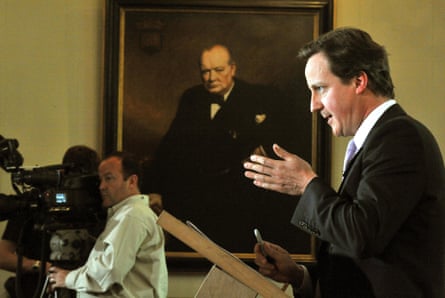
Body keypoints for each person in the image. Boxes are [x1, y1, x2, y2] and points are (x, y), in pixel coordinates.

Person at [243, 27, 445, 298]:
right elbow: (362, 252)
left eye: (320, 89)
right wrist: (298, 275)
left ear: (359, 82)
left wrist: (307, 183)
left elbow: (362, 235)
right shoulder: (380, 138)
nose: (313, 105)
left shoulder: (399, 136)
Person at [145, 44, 308, 251]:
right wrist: (155, 188)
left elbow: (281, 142)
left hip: (240, 200)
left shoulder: (258, 97)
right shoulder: (192, 99)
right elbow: (169, 147)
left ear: (232, 69)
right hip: (198, 196)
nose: (211, 77)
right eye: (205, 71)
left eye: (218, 70)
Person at [48, 151, 168, 297]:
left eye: (109, 178)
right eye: (100, 180)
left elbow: (111, 270)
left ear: (131, 181)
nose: (101, 186)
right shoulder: (125, 215)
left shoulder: (132, 216)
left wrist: (68, 278)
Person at [0, 145, 102, 298]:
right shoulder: (38, 201)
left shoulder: (99, 206)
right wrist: (41, 267)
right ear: (62, 172)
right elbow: (2, 255)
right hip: (32, 290)